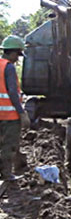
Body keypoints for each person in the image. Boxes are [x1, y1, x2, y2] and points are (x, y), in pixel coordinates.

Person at [0, 36, 30, 191]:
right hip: (9, 115)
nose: (18, 59)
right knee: (8, 145)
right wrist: (22, 113)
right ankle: (6, 174)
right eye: (18, 55)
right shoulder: (9, 67)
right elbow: (12, 92)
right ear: (12, 53)